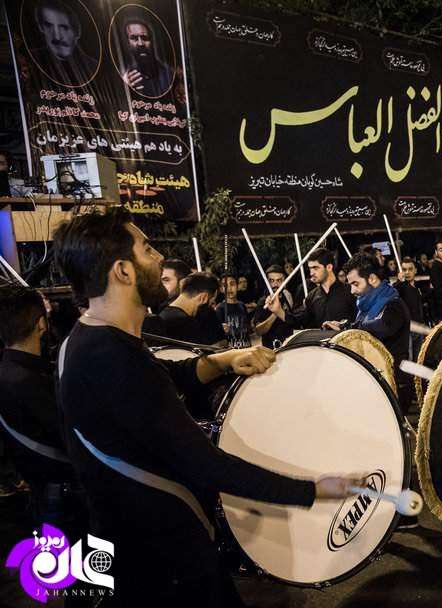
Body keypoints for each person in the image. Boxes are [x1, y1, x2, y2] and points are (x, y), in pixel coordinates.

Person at [51, 209, 362, 606]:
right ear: (123, 272)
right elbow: (206, 464)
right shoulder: (111, 357)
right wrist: (314, 489)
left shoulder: (85, 342)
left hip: (138, 548)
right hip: (162, 565)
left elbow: (164, 372)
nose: (160, 258)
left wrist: (225, 360)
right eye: (147, 249)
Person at [0, 284, 84, 535]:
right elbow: (71, 435)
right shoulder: (26, 381)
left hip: (44, 496)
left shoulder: (10, 372)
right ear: (40, 324)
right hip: (65, 500)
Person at [330, 253, 413, 415]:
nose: (352, 290)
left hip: (393, 386)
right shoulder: (364, 308)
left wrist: (349, 328)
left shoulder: (394, 304)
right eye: (350, 285)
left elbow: (381, 327)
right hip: (370, 384)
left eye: (355, 284)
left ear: (373, 279)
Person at [266, 248, 355, 331]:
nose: (311, 273)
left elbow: (360, 321)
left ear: (329, 267)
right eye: (310, 268)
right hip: (321, 346)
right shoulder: (312, 297)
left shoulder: (351, 291)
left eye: (315, 268)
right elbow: (299, 322)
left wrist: (344, 326)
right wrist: (278, 311)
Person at [144, 272, 226, 346]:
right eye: (211, 303)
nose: (212, 308)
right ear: (203, 298)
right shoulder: (187, 325)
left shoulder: (162, 317)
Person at [31, 0, 98, 87]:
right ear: (41, 27)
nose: (57, 37)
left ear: (77, 31)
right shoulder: (31, 62)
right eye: (48, 26)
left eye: (64, 28)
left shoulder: (92, 67)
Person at [119, 16, 172, 97]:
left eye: (144, 37)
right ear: (127, 43)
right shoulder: (126, 79)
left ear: (152, 41)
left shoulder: (169, 74)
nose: (140, 43)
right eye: (134, 38)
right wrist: (124, 88)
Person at [253, 265, 296, 349]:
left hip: (289, 348)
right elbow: (258, 331)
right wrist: (276, 313)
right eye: (271, 281)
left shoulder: (288, 297)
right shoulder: (263, 302)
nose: (275, 284)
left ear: (284, 281)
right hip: (271, 351)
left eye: (279, 280)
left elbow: (294, 322)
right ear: (267, 282)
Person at [216, 274, 251, 348]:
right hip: (231, 353)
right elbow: (216, 337)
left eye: (232, 284)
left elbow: (247, 330)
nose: (229, 289)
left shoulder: (242, 305)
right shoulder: (220, 308)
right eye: (225, 285)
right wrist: (221, 331)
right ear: (221, 289)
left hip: (246, 349)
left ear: (237, 286)